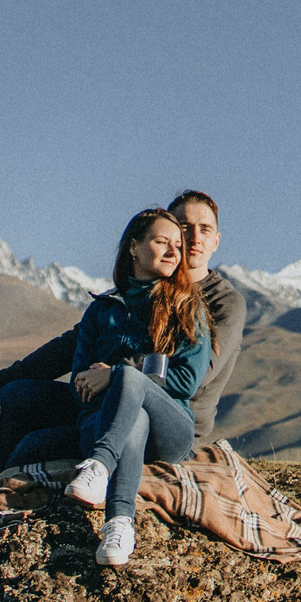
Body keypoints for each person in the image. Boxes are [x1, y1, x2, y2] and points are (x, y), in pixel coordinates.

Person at [0, 190, 244, 471]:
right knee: (15, 397)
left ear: (216, 240)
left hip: (165, 420)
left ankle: (99, 473)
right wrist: (4, 380)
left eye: (205, 229)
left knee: (49, 439)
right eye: (183, 227)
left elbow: (195, 378)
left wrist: (114, 374)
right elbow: (70, 346)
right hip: (98, 404)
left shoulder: (221, 302)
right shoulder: (136, 289)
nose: (193, 238)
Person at [61, 208, 210, 565]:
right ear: (133, 247)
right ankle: (119, 526)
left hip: (170, 428)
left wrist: (114, 374)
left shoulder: (187, 307)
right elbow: (79, 382)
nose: (175, 252)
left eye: (178, 245)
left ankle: (98, 467)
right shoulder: (102, 311)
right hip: (107, 423)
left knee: (129, 380)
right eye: (163, 242)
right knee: (134, 421)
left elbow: (185, 381)